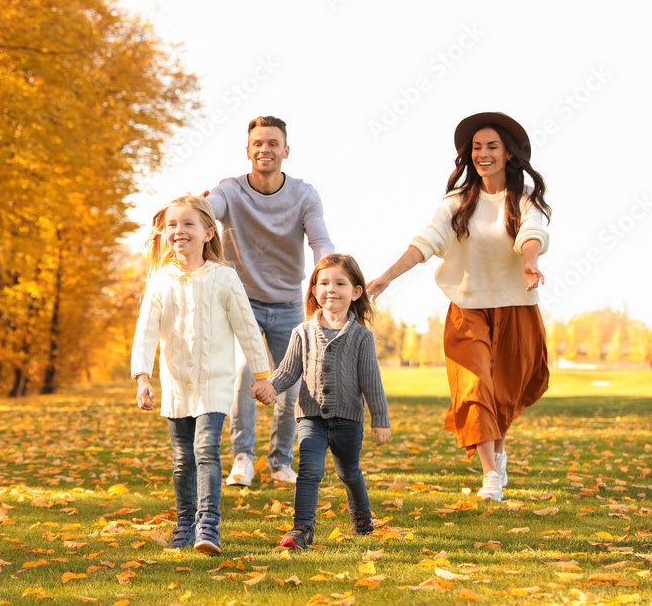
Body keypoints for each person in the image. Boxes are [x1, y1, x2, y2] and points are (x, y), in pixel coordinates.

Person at [368, 111, 551, 502]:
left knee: (501, 393)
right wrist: (386, 277)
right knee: (473, 387)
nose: (483, 153)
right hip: (467, 310)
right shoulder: (456, 203)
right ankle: (490, 474)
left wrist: (530, 261)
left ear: (508, 154)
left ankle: (497, 452)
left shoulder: (523, 200)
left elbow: (532, 234)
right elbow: (427, 241)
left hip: (517, 307)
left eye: (492, 147)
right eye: (476, 147)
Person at [132, 194, 276, 556]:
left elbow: (246, 327)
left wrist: (261, 375)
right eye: (172, 226)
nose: (179, 231)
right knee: (182, 458)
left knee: (205, 449)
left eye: (188, 224)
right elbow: (145, 332)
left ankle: (208, 524)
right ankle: (184, 524)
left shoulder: (224, 278)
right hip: (177, 386)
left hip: (215, 383)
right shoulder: (160, 281)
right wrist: (143, 377)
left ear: (209, 232)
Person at [205, 115, 334, 487]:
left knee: (289, 384)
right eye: (258, 143)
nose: (265, 149)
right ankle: (242, 458)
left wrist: (325, 276)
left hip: (288, 303)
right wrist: (197, 209)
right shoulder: (230, 190)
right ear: (248, 151)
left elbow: (320, 240)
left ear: (286, 151)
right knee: (247, 373)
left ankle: (279, 462)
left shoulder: (304, 195)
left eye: (273, 143)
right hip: (242, 303)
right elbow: (211, 208)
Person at [253, 254, 391, 549]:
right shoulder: (301, 332)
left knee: (349, 471)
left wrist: (380, 420)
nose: (331, 289)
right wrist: (270, 388)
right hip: (311, 418)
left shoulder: (361, 337)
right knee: (309, 470)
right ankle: (302, 528)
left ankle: (362, 516)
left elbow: (371, 381)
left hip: (349, 420)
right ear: (314, 289)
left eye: (340, 283)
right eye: (324, 282)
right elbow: (288, 371)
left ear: (355, 292)